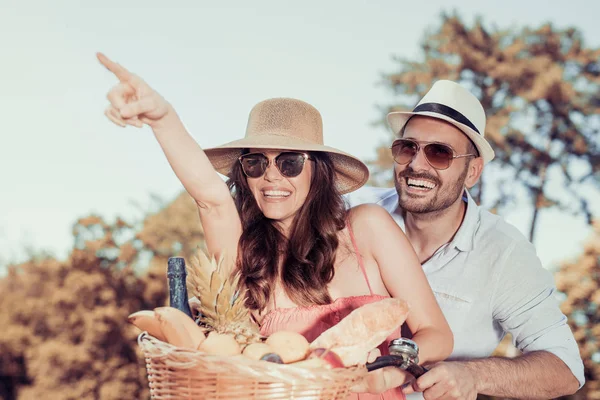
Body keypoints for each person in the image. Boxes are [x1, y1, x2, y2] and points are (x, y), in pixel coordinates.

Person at [97, 53, 453, 399]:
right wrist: (162, 118)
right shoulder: (247, 257)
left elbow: (436, 333)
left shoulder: (367, 229)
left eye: (290, 162)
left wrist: (391, 370)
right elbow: (209, 198)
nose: (270, 176)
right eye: (255, 163)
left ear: (318, 170)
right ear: (244, 174)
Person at [345, 80, 585, 399]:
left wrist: (474, 375)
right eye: (407, 148)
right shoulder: (349, 211)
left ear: (472, 171)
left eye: (439, 153)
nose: (416, 165)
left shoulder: (505, 254)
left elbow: (566, 368)